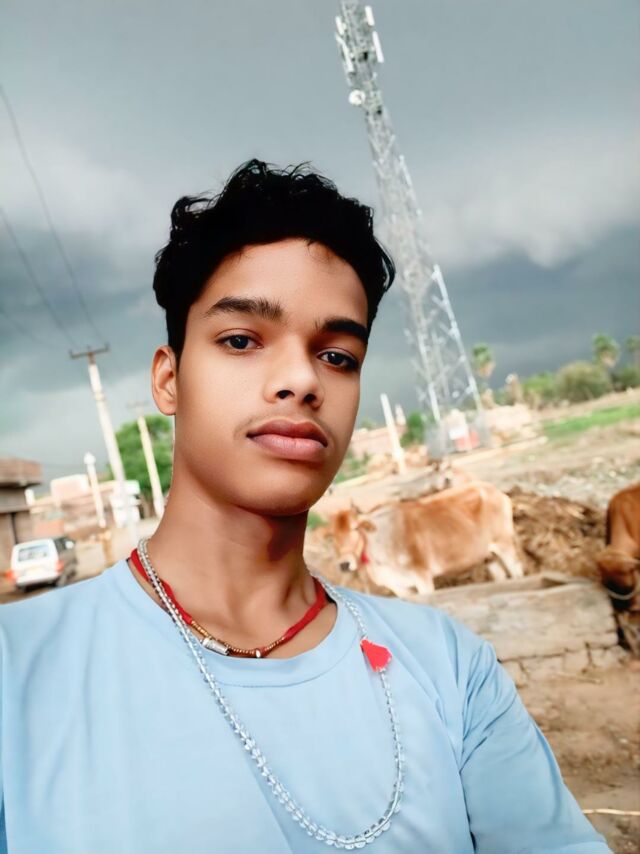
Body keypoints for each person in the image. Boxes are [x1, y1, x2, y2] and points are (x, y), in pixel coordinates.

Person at [0, 160, 610, 853]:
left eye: (338, 355)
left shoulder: (450, 669)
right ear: (169, 380)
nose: (301, 379)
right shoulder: (17, 672)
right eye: (240, 340)